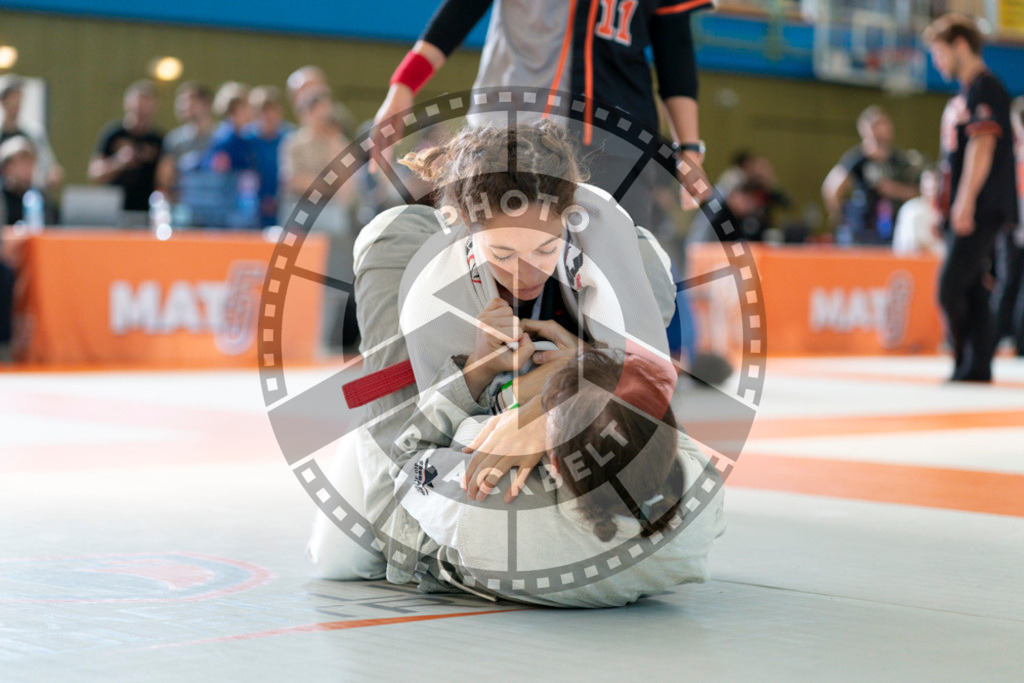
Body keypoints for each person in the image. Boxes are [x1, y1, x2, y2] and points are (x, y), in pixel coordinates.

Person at [307, 121, 702, 603]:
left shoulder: (609, 239)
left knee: (627, 437)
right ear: (467, 236)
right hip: (412, 379)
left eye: (545, 248)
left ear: (570, 219)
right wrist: (478, 374)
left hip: (568, 357)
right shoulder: (428, 286)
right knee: (342, 557)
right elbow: (405, 446)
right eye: (503, 253)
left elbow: (651, 394)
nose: (527, 270)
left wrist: (548, 413)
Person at [373, 0, 716, 227]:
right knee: (495, 264)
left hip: (616, 137)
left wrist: (689, 148)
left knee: (615, 276)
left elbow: (676, 51)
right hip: (511, 130)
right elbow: (460, 11)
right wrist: (403, 86)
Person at [925, 14, 1020, 381]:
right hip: (966, 205)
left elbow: (982, 146)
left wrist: (964, 202)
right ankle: (976, 365)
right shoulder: (966, 93)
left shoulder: (986, 88)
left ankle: (969, 355)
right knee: (973, 287)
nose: (938, 62)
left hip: (981, 205)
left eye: (940, 52)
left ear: (960, 45)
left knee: (949, 288)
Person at [822, 106, 921, 245]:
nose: (885, 129)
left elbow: (916, 193)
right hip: (861, 228)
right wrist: (842, 219)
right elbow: (831, 188)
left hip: (893, 228)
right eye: (878, 124)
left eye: (886, 124)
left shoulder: (900, 160)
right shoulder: (857, 159)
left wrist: (893, 190)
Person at [88, 80, 163, 212]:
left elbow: (164, 180)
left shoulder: (158, 140)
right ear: (127, 104)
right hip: (113, 207)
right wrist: (119, 161)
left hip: (146, 209)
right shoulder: (113, 134)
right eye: (137, 103)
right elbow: (95, 174)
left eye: (146, 103)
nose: (141, 109)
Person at [0, 74, 63, 192]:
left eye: (18, 98)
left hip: (29, 196)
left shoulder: (33, 134)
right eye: (12, 98)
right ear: (3, 101)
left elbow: (50, 168)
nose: (16, 103)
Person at [244, 86, 294, 226]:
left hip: (284, 209)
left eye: (271, 110)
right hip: (252, 212)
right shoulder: (245, 139)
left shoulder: (291, 139)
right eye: (261, 111)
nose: (267, 116)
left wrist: (277, 201)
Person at [156, 81, 215, 197]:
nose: (182, 106)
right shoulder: (174, 139)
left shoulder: (222, 137)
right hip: (185, 206)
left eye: (188, 101)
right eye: (180, 102)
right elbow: (165, 177)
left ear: (205, 104)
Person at [203, 82, 256, 174]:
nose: (250, 111)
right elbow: (218, 174)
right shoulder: (224, 140)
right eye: (245, 107)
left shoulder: (245, 136)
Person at [892, 167, 945, 257]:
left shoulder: (951, 211)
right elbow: (911, 245)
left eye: (937, 180)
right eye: (928, 180)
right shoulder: (911, 210)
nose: (932, 185)